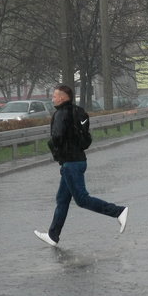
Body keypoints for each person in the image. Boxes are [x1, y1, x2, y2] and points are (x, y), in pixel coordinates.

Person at [34, 84, 129, 247]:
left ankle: (118, 211)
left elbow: (57, 137)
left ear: (63, 98)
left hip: (70, 163)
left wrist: (55, 150)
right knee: (62, 199)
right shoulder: (77, 112)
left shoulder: (60, 114)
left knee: (82, 199)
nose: (53, 99)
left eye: (55, 96)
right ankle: (53, 235)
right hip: (78, 160)